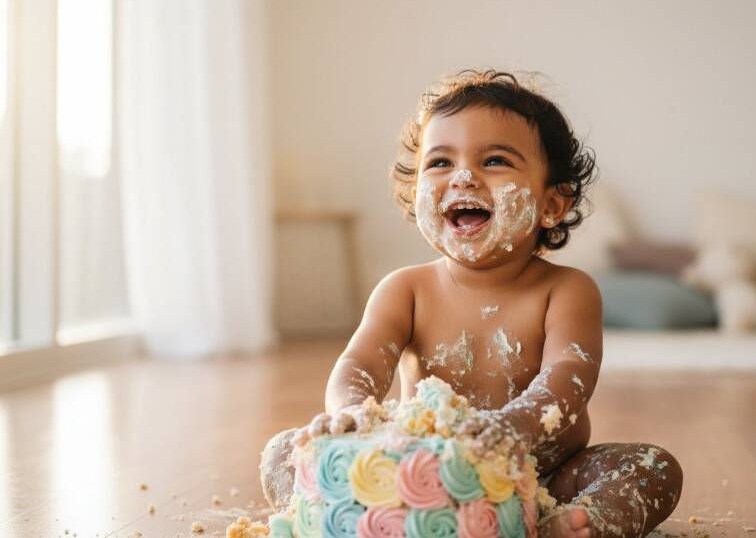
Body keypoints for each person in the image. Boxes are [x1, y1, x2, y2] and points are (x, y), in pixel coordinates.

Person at [262, 70, 682, 538]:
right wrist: (351, 411)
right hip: (420, 478)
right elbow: (359, 363)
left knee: (651, 466)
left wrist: (515, 426)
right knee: (284, 450)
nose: (463, 176)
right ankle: (331, 517)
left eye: (495, 160)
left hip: (541, 477)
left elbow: (569, 377)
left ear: (552, 204)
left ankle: (572, 527)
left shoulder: (567, 290)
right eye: (440, 163)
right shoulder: (405, 289)